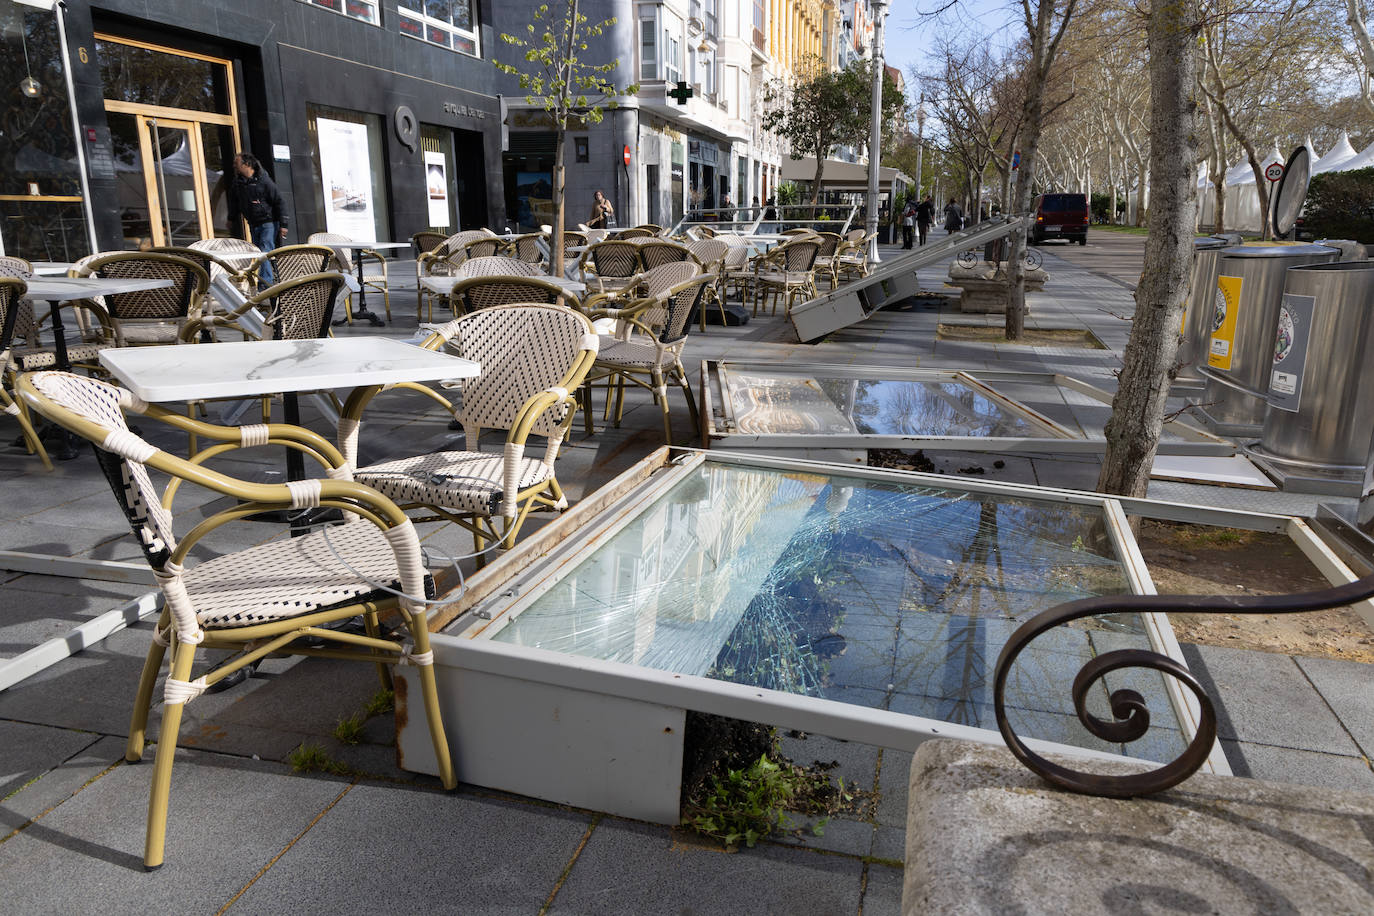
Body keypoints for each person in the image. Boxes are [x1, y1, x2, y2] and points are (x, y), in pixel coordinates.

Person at [227, 151, 288, 285]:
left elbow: (279, 201)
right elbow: (234, 202)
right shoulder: (238, 183)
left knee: (264, 252)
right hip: (253, 223)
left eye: (237, 163)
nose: (234, 166)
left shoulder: (264, 181)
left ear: (247, 165)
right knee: (259, 252)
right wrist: (231, 218)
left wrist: (284, 224)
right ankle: (269, 279)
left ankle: (265, 283)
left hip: (268, 223)